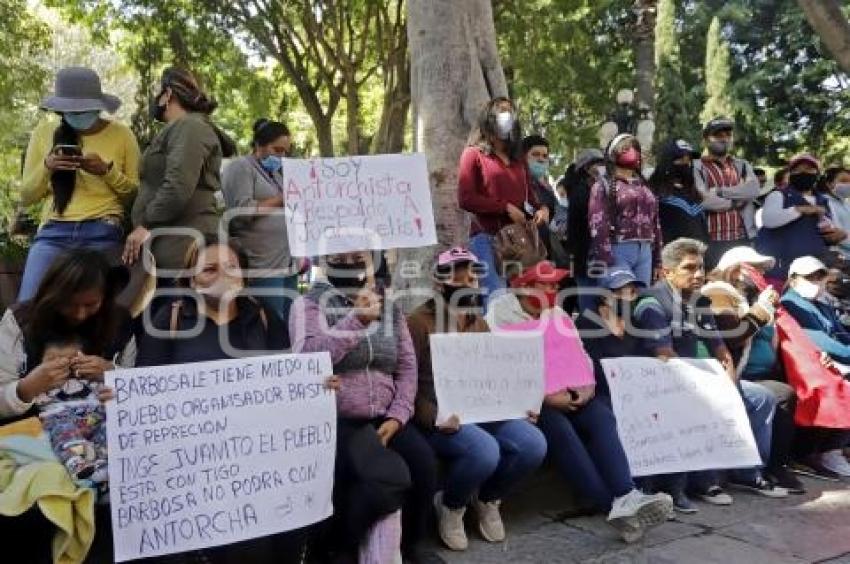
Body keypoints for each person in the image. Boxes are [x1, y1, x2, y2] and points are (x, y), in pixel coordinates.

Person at [134, 238, 308, 563]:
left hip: (257, 464)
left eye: (230, 268)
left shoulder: (265, 317)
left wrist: (316, 386)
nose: (222, 277)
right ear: (191, 279)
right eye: (210, 269)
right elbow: (144, 391)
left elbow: (288, 380)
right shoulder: (168, 321)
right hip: (190, 467)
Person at [485, 261, 673, 542]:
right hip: (534, 403)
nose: (552, 289)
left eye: (555, 284)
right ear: (524, 287)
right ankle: (613, 505)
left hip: (573, 391)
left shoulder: (558, 313)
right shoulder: (499, 317)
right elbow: (499, 368)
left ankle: (626, 493)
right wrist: (545, 398)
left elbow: (579, 352)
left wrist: (588, 384)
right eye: (545, 284)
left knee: (602, 417)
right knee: (560, 431)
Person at [289, 251, 438, 563]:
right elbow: (307, 360)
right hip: (340, 418)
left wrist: (399, 415)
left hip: (388, 414)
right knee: (382, 481)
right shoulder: (308, 306)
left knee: (424, 465)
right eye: (341, 256)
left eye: (359, 255)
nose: (350, 262)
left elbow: (407, 369)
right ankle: (341, 544)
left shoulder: (391, 309)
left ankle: (412, 543)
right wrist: (355, 321)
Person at [406, 247, 547, 552]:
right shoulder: (417, 322)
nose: (470, 278)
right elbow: (406, 382)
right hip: (440, 418)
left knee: (533, 443)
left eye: (473, 271)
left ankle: (487, 499)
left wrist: (518, 403)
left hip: (480, 410)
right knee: (485, 450)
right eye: (461, 272)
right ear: (441, 281)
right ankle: (452, 505)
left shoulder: (477, 321)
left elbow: (492, 372)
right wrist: (433, 416)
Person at [0, 249, 135, 562]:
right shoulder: (20, 321)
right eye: (69, 303)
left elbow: (142, 392)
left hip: (101, 435)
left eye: (90, 304)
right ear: (51, 293)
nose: (79, 314)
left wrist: (114, 377)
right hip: (35, 436)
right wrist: (27, 387)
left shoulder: (121, 325)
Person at [632, 238, 787, 507]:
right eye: (689, 268)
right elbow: (665, 356)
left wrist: (729, 384)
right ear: (666, 272)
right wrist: (707, 387)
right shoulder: (652, 302)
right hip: (667, 384)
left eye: (701, 268)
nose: (698, 274)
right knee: (702, 406)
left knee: (762, 399)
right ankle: (703, 483)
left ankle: (747, 471)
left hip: (704, 377)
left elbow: (720, 349)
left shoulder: (700, 301)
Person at [18, 67, 140, 301]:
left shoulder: (122, 135)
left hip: (102, 230)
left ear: (98, 106)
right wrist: (47, 167)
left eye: (83, 109)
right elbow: (26, 196)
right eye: (70, 110)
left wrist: (106, 171)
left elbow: (134, 196)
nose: (77, 115)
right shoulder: (44, 133)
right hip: (53, 230)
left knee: (96, 307)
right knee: (28, 304)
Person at [704, 247, 804, 493]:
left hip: (751, 373)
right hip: (725, 374)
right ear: (736, 269)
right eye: (754, 268)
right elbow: (733, 335)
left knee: (784, 391)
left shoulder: (745, 296)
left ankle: (763, 467)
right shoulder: (718, 291)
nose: (759, 274)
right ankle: (763, 468)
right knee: (777, 395)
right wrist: (761, 310)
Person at [124, 67, 237, 281]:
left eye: (157, 92)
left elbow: (177, 186)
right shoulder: (180, 128)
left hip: (181, 248)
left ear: (168, 95)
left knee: (176, 311)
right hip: (167, 244)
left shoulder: (190, 126)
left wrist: (145, 225)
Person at [458, 98, 550, 307]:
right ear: (489, 118)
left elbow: (531, 199)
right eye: (501, 111)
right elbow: (465, 198)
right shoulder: (473, 154)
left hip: (520, 243)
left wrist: (542, 209)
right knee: (496, 301)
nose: (507, 116)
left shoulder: (518, 160)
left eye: (510, 112)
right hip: (487, 240)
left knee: (524, 302)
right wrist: (504, 207)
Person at [221, 118, 298, 345]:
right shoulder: (240, 167)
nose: (281, 156)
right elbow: (239, 212)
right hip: (261, 268)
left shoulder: (277, 174)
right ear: (259, 145)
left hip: (286, 266)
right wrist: (280, 200)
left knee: (290, 329)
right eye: (277, 149)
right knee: (271, 328)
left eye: (285, 151)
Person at [781, 256, 850, 477]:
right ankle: (830, 450)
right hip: (807, 365)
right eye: (809, 277)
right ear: (793, 279)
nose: (816, 281)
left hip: (831, 361)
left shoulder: (821, 304)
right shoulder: (791, 304)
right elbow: (817, 340)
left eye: (820, 276)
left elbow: (841, 335)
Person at [588, 133, 662, 288]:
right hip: (617, 249)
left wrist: (658, 259)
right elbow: (598, 225)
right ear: (613, 154)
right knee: (620, 300)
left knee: (642, 299)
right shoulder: (602, 185)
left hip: (646, 249)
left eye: (636, 148)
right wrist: (605, 259)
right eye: (626, 148)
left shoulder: (645, 186)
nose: (632, 152)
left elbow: (656, 223)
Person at [756, 154, 845, 281]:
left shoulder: (823, 201)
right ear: (791, 174)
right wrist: (800, 209)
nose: (803, 173)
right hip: (782, 272)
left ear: (817, 174)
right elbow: (769, 220)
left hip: (815, 270)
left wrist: (836, 236)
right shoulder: (778, 195)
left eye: (809, 169)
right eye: (798, 170)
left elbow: (827, 231)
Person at [692, 117, 760, 267]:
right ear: (706, 139)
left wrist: (719, 191)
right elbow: (704, 200)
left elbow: (753, 190)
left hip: (742, 238)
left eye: (728, 135)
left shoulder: (742, 165)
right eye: (718, 135)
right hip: (711, 240)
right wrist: (736, 201)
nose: (724, 139)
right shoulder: (696, 166)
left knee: (743, 285)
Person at [565, 149, 606, 312]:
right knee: (588, 301)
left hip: (592, 255)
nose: (602, 167)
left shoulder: (597, 188)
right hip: (584, 256)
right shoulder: (581, 192)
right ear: (587, 168)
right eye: (598, 163)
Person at [649, 139, 709, 246]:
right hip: (674, 257)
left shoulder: (691, 195)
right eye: (681, 159)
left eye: (689, 160)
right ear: (667, 162)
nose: (686, 164)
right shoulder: (659, 198)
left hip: (698, 256)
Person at [523, 134, 560, 264]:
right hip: (522, 251)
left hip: (544, 251)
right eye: (535, 154)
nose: (541, 159)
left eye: (545, 156)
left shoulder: (547, 189)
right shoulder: (517, 183)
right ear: (523, 157)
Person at [818, 166, 850, 260]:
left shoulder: (845, 203)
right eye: (843, 181)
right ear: (829, 183)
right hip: (841, 258)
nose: (848, 184)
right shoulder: (825, 203)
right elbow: (834, 233)